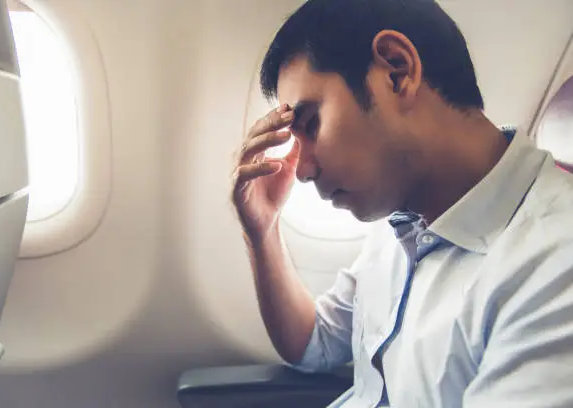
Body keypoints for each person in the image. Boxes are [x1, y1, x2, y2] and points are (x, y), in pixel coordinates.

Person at [230, 0, 573, 406]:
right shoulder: (401, 220)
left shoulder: (553, 265)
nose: (302, 171)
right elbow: (314, 345)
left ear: (396, 71)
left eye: (311, 124)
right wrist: (263, 229)